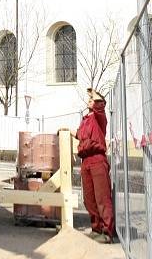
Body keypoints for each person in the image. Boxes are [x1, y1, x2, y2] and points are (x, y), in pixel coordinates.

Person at [67, 87, 115, 244]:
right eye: (90, 99)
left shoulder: (98, 117)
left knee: (102, 197)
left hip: (97, 159)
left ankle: (107, 233)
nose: (90, 101)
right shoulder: (86, 120)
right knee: (89, 199)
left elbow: (100, 106)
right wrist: (67, 130)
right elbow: (81, 135)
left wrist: (95, 94)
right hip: (85, 161)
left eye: (93, 100)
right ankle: (96, 229)